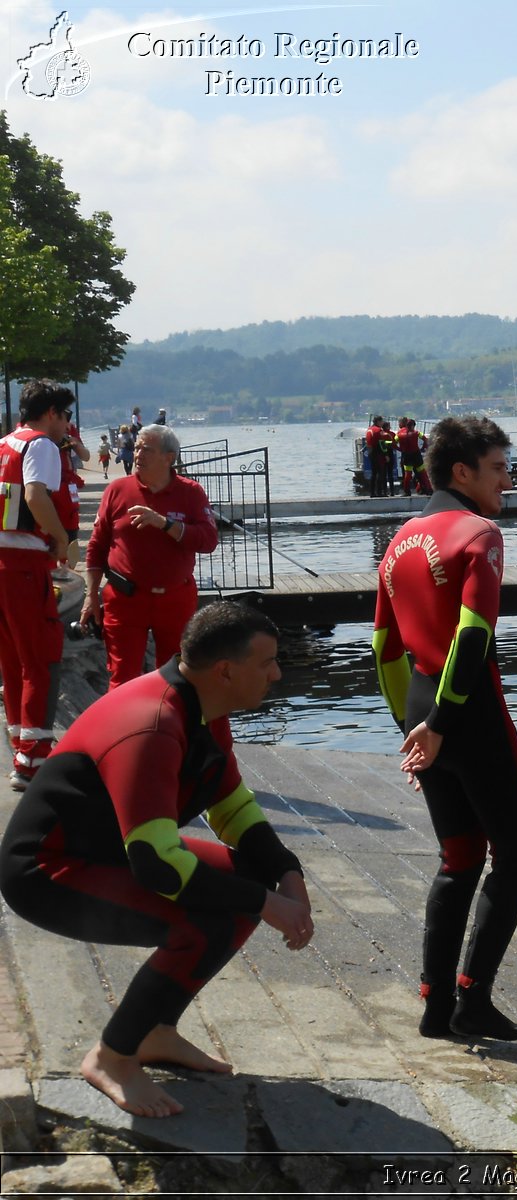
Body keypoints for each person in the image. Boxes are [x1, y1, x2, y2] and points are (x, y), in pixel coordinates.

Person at [0, 601, 313, 1119]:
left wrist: (286, 872)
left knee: (245, 881)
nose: (277, 674)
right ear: (226, 671)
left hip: (112, 853)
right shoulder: (152, 722)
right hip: (46, 872)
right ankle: (112, 1056)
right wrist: (265, 903)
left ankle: (155, 1032)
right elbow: (159, 867)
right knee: (205, 919)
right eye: (267, 663)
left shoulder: (204, 709)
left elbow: (232, 806)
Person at [373, 416, 517, 1041]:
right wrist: (441, 724)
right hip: (466, 713)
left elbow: (384, 647)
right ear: (463, 472)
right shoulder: (480, 534)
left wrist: (411, 729)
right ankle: (473, 998)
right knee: (516, 857)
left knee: (458, 856)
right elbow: (474, 634)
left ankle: (435, 1004)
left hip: (419, 704)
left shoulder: (401, 540)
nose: (508, 480)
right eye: (498, 468)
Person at [81, 425, 218, 689]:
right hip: (125, 599)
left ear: (169, 458)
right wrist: (90, 596)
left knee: (176, 679)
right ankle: (123, 729)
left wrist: (165, 524)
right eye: (137, 447)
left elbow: (208, 540)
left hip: (175, 598)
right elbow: (97, 546)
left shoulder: (191, 492)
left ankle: (170, 728)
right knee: (122, 679)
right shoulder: (118, 490)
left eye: (147, 449)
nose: (138, 454)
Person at [0, 380, 75, 789]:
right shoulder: (41, 446)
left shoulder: (3, 445)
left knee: (12, 663)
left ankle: (21, 748)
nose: (67, 425)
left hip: (1, 565)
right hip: (25, 567)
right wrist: (61, 538)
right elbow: (34, 495)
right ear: (50, 413)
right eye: (65, 416)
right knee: (42, 659)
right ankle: (33, 761)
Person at [396, 417, 425, 497]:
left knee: (407, 474)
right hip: (416, 454)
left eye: (399, 423)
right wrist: (423, 447)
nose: (398, 424)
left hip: (406, 455)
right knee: (421, 473)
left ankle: (407, 491)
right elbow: (425, 438)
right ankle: (425, 489)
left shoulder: (400, 433)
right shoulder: (416, 432)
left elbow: (393, 442)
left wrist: (399, 449)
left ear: (403, 423)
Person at [364, 414, 386, 498]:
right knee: (380, 473)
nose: (383, 422)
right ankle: (379, 492)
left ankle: (372, 492)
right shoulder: (378, 430)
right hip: (378, 452)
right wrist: (386, 454)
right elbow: (382, 443)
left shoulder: (369, 430)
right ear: (378, 422)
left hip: (370, 452)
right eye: (382, 421)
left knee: (374, 473)